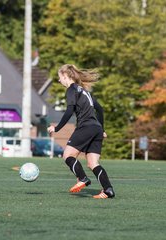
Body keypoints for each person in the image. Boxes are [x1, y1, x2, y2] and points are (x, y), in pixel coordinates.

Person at [47, 64, 115, 199]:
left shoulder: (71, 90)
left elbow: (69, 110)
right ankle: (108, 190)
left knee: (68, 155)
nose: (59, 81)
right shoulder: (85, 91)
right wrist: (102, 130)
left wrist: (57, 128)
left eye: (60, 77)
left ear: (66, 76)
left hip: (85, 127)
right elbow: (100, 109)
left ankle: (82, 178)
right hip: (96, 128)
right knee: (92, 163)